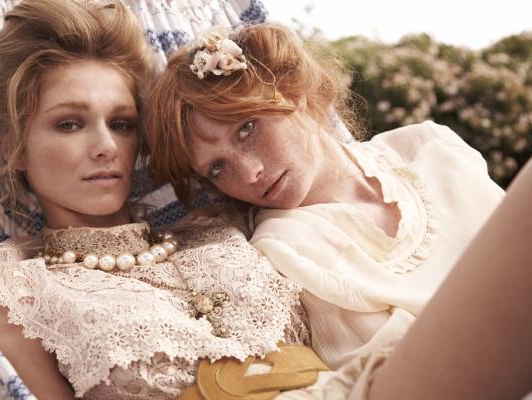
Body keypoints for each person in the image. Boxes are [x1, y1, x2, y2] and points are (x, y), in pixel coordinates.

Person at [0, 1, 365, 399]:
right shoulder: (10, 287)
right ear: (13, 146)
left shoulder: (221, 226)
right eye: (69, 124)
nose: (106, 147)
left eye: (121, 124)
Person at [143, 23, 532, 398]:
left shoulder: (431, 148)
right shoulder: (285, 249)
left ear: (291, 91)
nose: (248, 172)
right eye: (217, 168)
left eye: (247, 128)